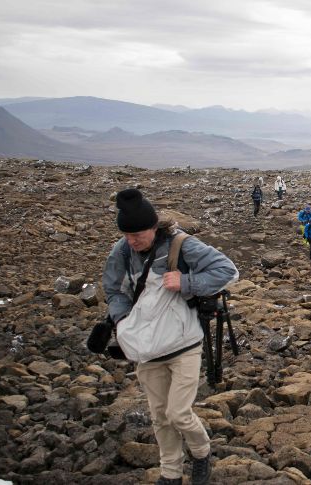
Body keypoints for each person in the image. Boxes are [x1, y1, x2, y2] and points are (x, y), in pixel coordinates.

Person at [103, 188, 239, 485]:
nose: (132, 241)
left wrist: (187, 281)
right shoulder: (122, 251)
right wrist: (123, 320)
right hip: (147, 349)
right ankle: (170, 473)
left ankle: (202, 452)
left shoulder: (181, 245)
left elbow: (227, 271)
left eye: (137, 235)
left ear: (154, 226)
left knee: (178, 413)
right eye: (126, 235)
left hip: (184, 344)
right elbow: (113, 290)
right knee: (159, 417)